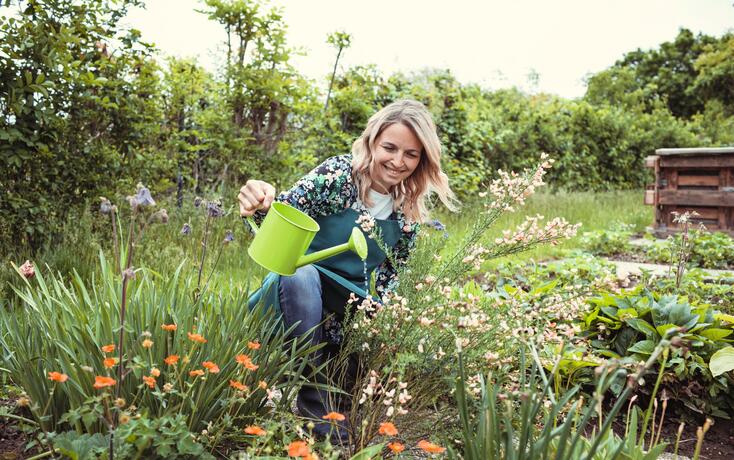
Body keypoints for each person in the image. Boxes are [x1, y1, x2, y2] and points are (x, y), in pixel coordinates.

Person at [238, 99, 458, 439]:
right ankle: (316, 405)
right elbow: (276, 221)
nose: (398, 162)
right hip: (290, 295)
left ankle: (337, 382)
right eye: (390, 147)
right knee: (302, 274)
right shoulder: (338, 177)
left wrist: (385, 325)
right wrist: (258, 200)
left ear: (422, 160)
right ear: (372, 141)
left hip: (344, 310)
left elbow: (391, 281)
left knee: (366, 355)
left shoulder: (408, 210)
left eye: (411, 154)